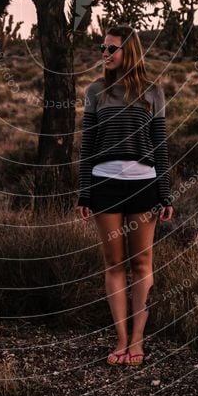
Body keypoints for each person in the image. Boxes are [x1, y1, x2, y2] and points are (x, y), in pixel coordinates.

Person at [75, 24, 174, 366]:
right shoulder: (95, 92)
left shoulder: (152, 93)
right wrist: (84, 193)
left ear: (128, 51)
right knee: (114, 264)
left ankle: (137, 340)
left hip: (144, 185)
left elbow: (160, 146)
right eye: (103, 48)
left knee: (141, 264)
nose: (104, 53)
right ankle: (120, 339)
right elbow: (88, 145)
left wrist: (165, 194)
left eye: (111, 48)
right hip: (105, 185)